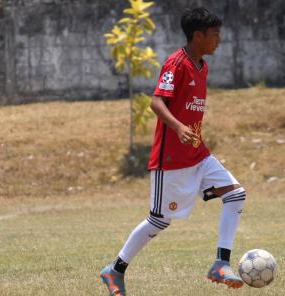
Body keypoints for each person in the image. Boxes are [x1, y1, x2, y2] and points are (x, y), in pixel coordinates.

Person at [100, 7, 245, 295]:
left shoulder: (202, 66)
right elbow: (156, 102)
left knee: (236, 193)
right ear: (197, 36)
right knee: (158, 220)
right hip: (171, 160)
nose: (219, 40)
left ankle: (220, 263)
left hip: (198, 153)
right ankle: (115, 270)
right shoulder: (176, 63)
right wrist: (178, 128)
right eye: (215, 35)